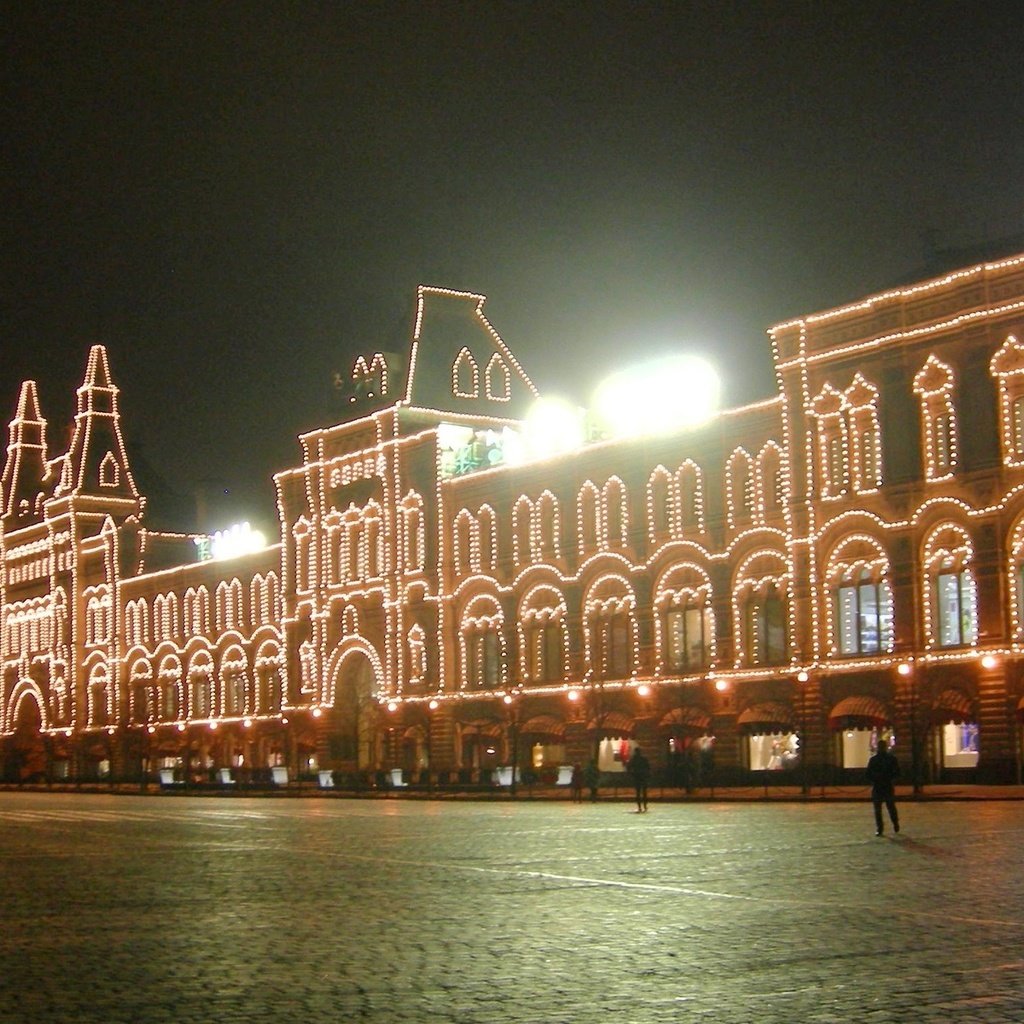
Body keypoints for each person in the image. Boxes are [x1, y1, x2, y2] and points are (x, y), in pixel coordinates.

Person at [866, 738, 901, 836]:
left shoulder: (874, 759)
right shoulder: (891, 759)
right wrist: (891, 779)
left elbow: (868, 774)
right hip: (886, 785)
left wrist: (874, 779)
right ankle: (894, 824)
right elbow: (897, 772)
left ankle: (880, 828)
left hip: (879, 786)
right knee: (890, 807)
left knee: (880, 809)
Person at [628, 745, 651, 812]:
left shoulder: (633, 759)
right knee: (644, 792)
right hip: (643, 777)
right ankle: (644, 806)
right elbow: (648, 768)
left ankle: (640, 806)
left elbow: (629, 767)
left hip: (637, 777)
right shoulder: (643, 759)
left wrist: (631, 774)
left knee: (638, 792)